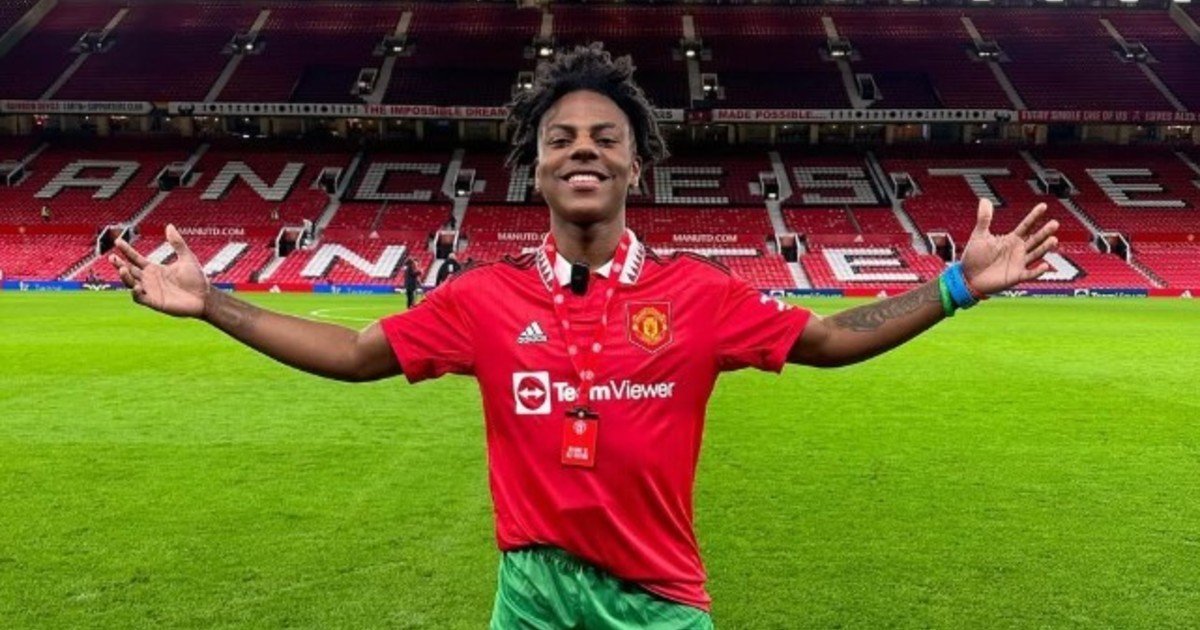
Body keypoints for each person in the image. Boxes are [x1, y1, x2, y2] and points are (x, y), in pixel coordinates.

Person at [109, 45, 1058, 629]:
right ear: (536, 169)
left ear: (636, 165)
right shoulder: (484, 297)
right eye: (561, 138)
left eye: (605, 136)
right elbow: (358, 355)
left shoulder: (698, 293)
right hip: (529, 599)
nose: (583, 150)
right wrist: (215, 303)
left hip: (657, 602)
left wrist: (954, 286)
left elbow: (827, 337)